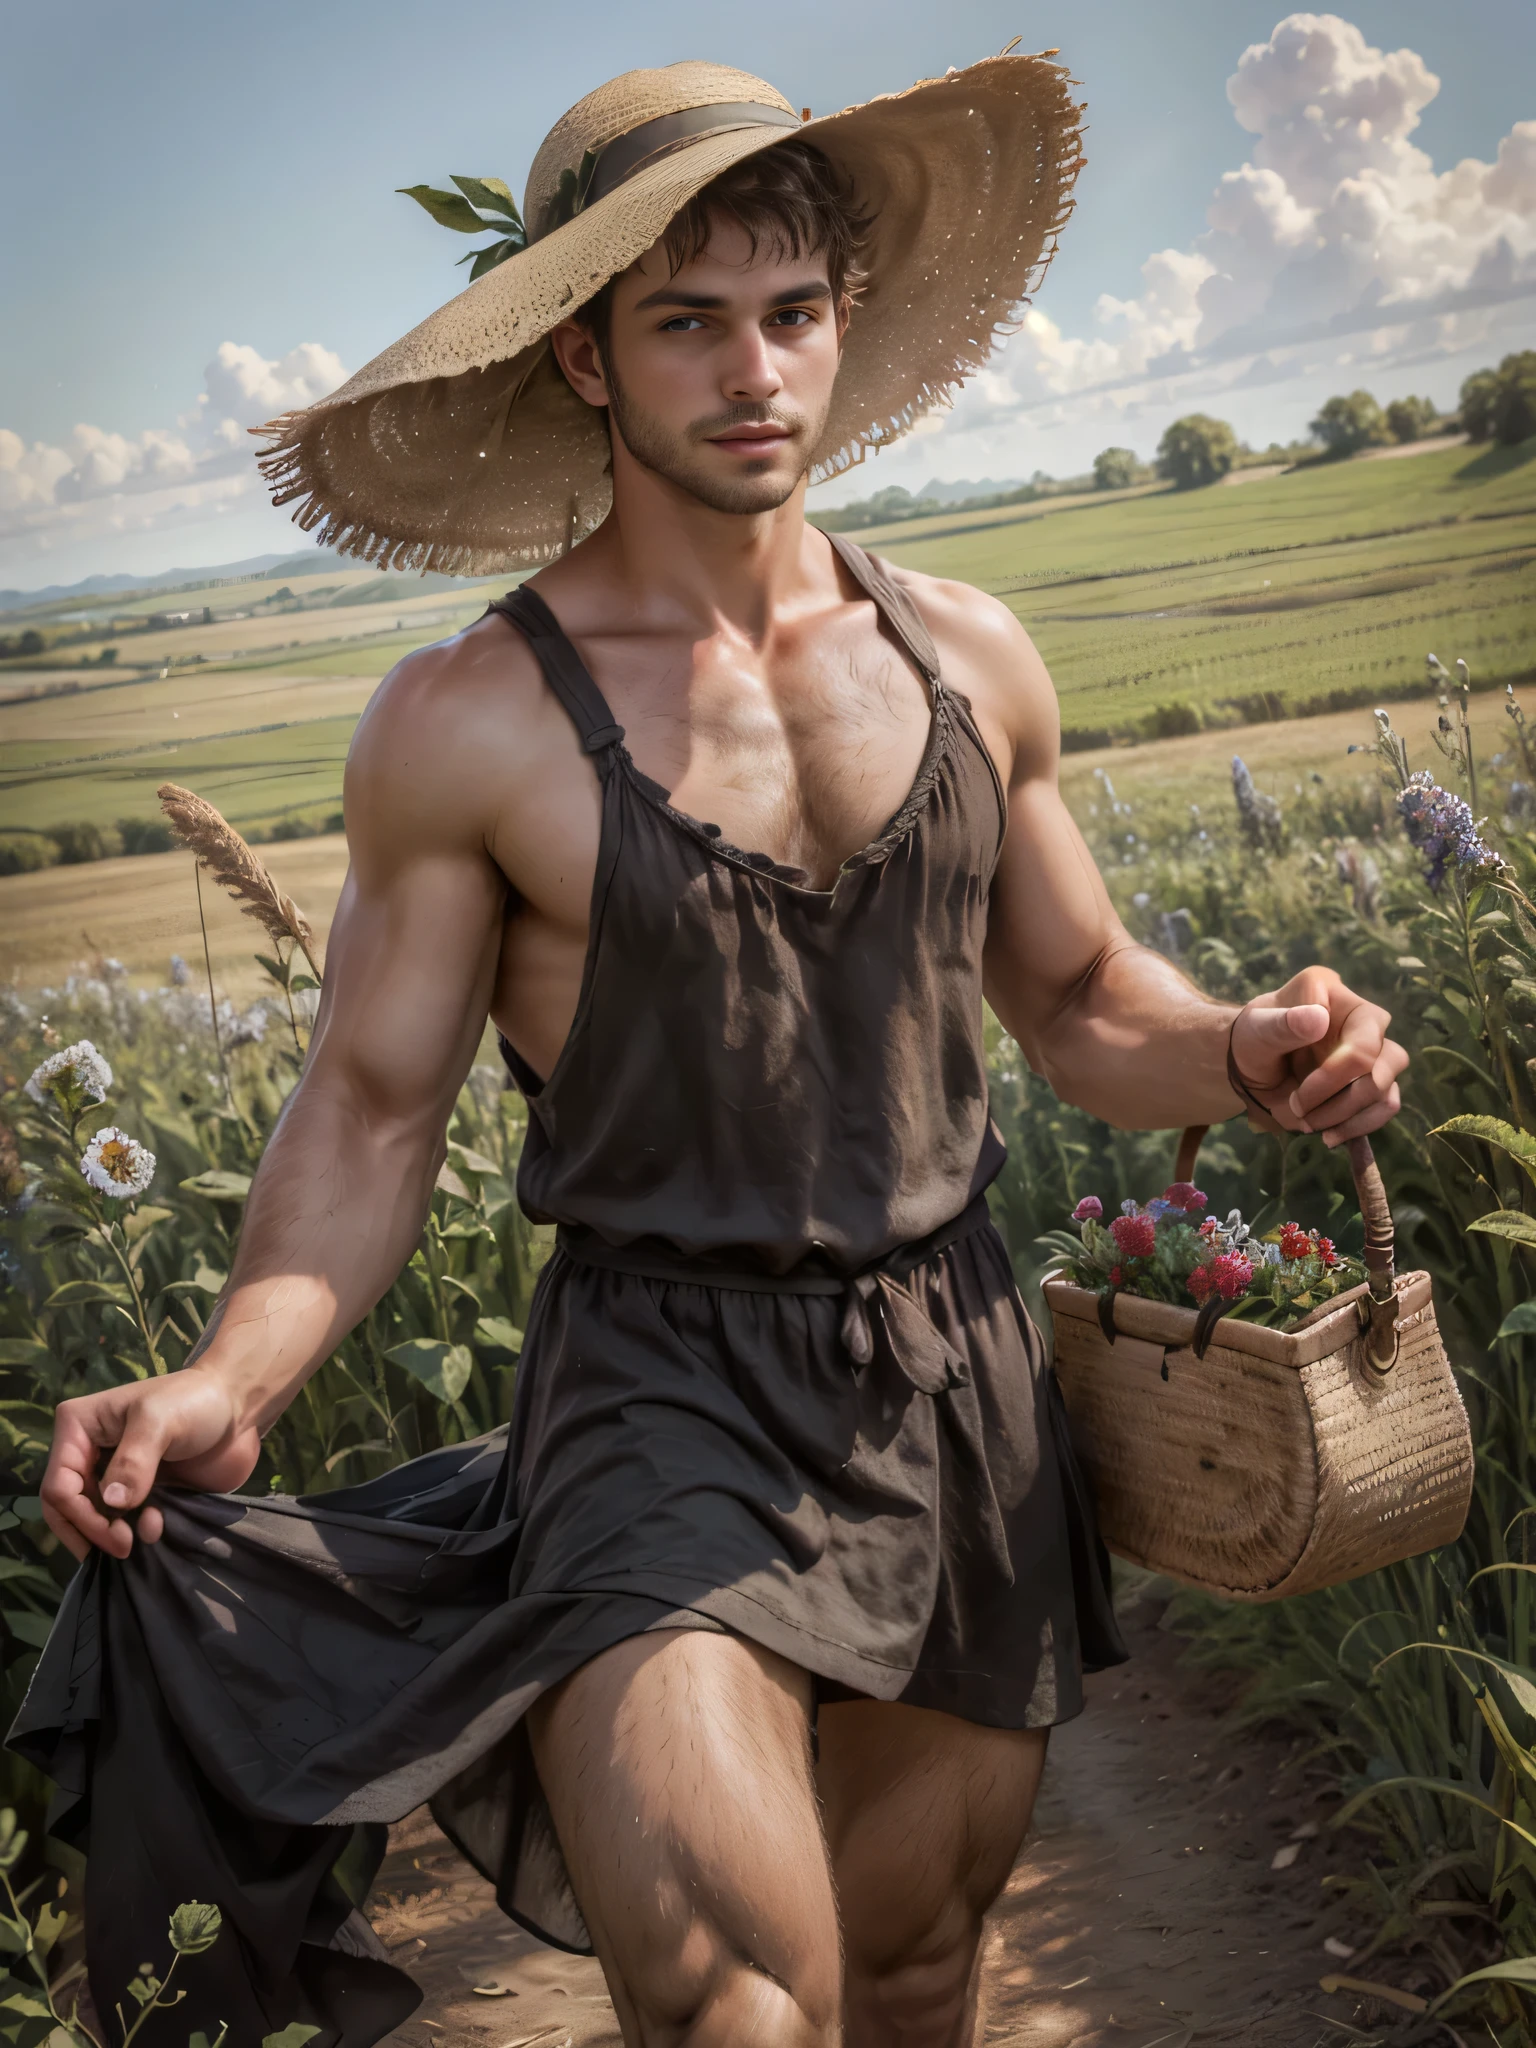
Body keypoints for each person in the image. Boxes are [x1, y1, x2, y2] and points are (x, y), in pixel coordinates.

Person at [14, 55, 1407, 2048]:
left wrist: (1255, 1046)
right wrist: (236, 1372)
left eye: (790, 313)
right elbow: (374, 1107)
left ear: (839, 324)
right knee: (743, 1999)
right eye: (685, 323)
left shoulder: (969, 657)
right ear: (586, 360)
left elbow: (1090, 1001)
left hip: (955, 1388)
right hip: (656, 1400)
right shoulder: (467, 723)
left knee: (917, 1971)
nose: (753, 369)